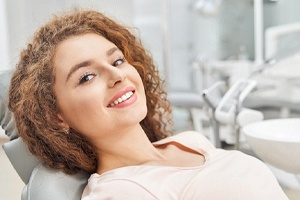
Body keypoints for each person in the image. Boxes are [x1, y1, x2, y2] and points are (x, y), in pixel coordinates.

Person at [8, 10, 288, 200]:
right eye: (87, 77)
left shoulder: (191, 141)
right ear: (56, 117)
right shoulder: (119, 192)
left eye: (117, 61)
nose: (117, 75)